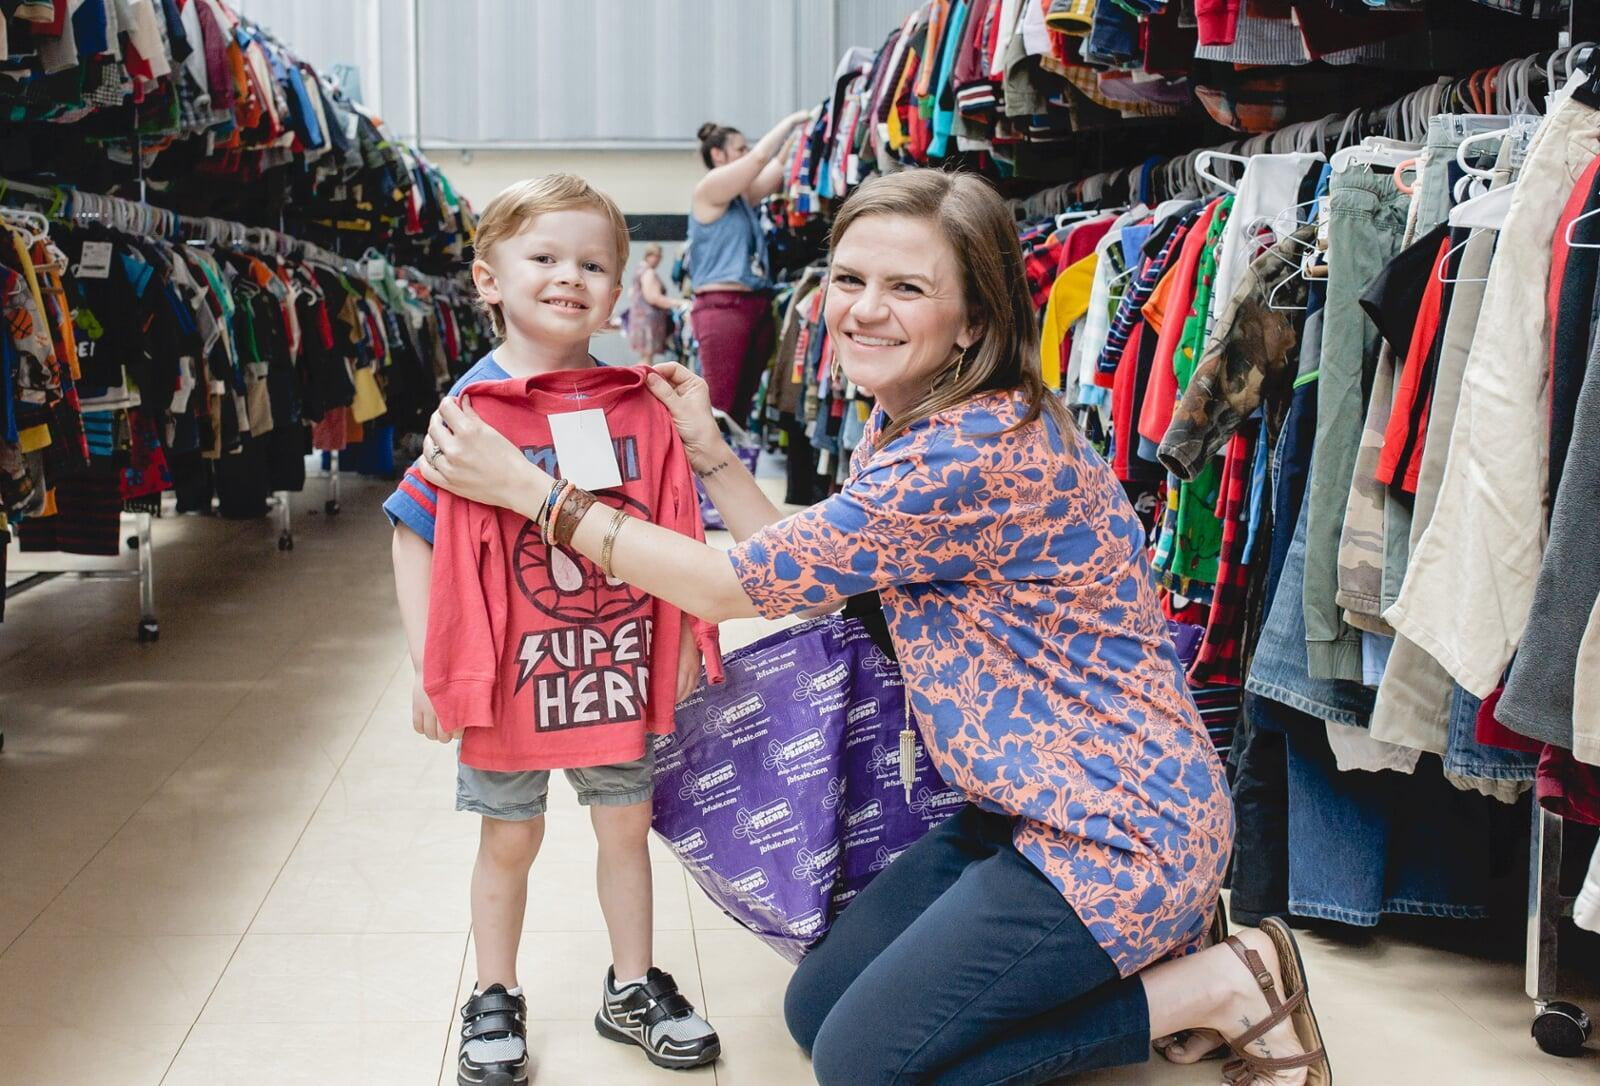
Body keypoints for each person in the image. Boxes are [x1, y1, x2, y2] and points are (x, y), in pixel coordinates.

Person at [418, 170, 1334, 1086]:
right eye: (850, 280)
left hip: (1117, 831)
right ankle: (1149, 955)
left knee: (863, 1069)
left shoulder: (967, 454)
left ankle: (1217, 986)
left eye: (907, 288)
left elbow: (729, 586)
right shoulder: (918, 423)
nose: (864, 310)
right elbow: (808, 576)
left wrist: (532, 493)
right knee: (814, 1011)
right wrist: (709, 453)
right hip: (1016, 809)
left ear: (974, 319)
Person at [384, 174, 722, 1086]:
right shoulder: (470, 412)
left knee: (625, 824)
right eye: (544, 257)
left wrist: (688, 637)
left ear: (619, 288)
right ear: (489, 278)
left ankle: (633, 983)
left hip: (609, 662)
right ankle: (494, 991)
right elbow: (413, 536)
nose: (569, 277)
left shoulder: (637, 400)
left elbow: (677, 529)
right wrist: (430, 662)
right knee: (509, 838)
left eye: (593, 263)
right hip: (506, 672)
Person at [688, 113, 810, 426]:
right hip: (723, 307)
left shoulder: (743, 199)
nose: (746, 153)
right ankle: (704, 474)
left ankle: (731, 469)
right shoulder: (710, 189)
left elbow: (775, 168)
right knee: (721, 405)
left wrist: (801, 135)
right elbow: (759, 161)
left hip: (754, 304)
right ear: (718, 155)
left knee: (740, 409)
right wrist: (792, 121)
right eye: (739, 149)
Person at [627, 242, 678, 363]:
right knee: (647, 359)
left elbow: (632, 293)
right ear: (650, 255)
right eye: (658, 256)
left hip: (641, 320)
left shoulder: (639, 269)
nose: (660, 260)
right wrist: (678, 303)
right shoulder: (648, 272)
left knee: (645, 357)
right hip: (648, 322)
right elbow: (653, 297)